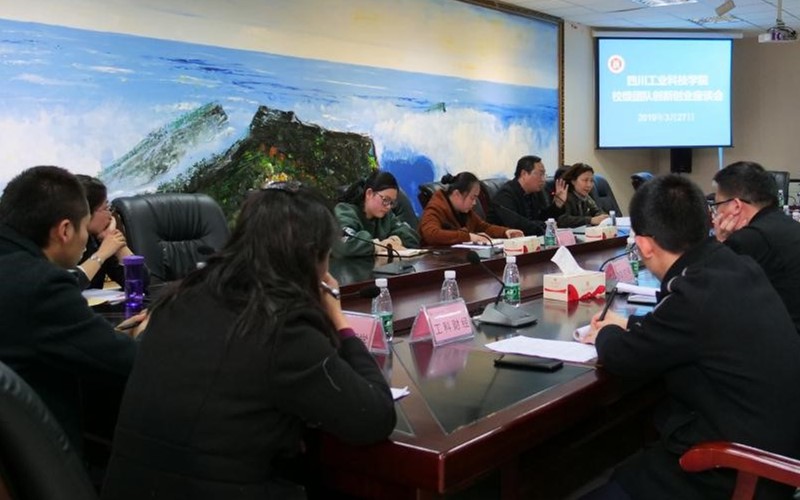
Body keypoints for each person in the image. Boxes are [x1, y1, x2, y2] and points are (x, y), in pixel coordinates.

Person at [102, 181, 397, 500]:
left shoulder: (179, 298)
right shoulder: (284, 326)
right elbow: (374, 417)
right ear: (314, 258)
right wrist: (338, 319)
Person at [579, 175, 800, 500]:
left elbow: (622, 357)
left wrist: (606, 331)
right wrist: (628, 324)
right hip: (774, 450)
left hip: (735, 470)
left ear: (644, 245)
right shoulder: (732, 265)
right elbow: (682, 329)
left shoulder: (694, 294)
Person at [0, 166, 141, 451]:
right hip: (43, 455)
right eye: (84, 227)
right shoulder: (40, 284)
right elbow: (130, 364)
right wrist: (143, 334)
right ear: (65, 230)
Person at [711, 161, 800, 334]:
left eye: (718, 205)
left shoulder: (746, 241)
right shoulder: (788, 225)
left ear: (736, 206)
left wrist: (720, 242)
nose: (717, 214)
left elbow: (713, 296)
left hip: (781, 341)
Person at [73, 174, 149, 290]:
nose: (110, 215)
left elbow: (141, 283)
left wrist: (117, 244)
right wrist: (102, 253)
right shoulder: (57, 242)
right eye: (105, 208)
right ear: (85, 213)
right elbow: (64, 287)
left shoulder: (97, 240)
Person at [419, 172, 523, 246]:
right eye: (472, 198)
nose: (474, 203)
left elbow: (484, 227)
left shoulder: (465, 212)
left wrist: (505, 232)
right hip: (436, 263)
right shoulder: (436, 207)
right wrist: (469, 237)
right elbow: (431, 234)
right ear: (457, 194)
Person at [334, 170, 419, 258]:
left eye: (392, 202)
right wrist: (379, 245)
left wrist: (394, 240)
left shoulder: (387, 216)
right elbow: (344, 243)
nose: (388, 206)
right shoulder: (345, 211)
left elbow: (411, 236)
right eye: (385, 200)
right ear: (369, 193)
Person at [486, 155, 568, 235]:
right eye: (540, 174)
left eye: (544, 175)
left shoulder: (535, 193)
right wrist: (544, 225)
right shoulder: (505, 194)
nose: (543, 179)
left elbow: (542, 218)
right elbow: (518, 224)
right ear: (524, 174)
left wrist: (557, 204)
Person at [558, 163, 608, 228]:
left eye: (591, 181)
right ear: (573, 181)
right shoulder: (565, 196)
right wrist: (591, 220)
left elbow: (596, 210)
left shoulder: (585, 196)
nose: (589, 185)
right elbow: (563, 220)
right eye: (585, 180)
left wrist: (603, 217)